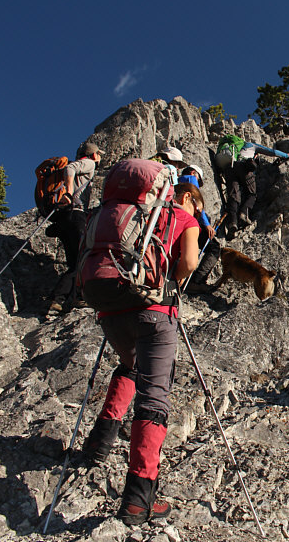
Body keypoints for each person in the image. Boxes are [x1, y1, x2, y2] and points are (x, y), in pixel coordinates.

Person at [81, 182, 202, 524]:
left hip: (110, 307)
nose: (197, 215)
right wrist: (171, 285)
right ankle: (137, 500)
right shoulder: (182, 216)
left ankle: (99, 443)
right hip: (155, 310)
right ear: (186, 198)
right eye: (197, 207)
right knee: (155, 395)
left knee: (129, 365)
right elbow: (190, 262)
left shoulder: (124, 214)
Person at [47, 141, 102, 315]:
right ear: (93, 154)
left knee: (74, 262)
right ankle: (77, 297)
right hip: (75, 214)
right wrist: (69, 193)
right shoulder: (89, 163)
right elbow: (69, 169)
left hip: (64, 217)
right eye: (99, 154)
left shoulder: (85, 165)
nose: (99, 157)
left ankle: (58, 300)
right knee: (83, 257)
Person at [216, 135, 289, 240]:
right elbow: (271, 152)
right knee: (252, 194)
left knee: (234, 196)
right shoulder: (251, 145)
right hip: (244, 166)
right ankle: (244, 213)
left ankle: (232, 223)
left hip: (229, 168)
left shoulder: (232, 149)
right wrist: (286, 155)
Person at [178, 165, 220, 292]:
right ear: (193, 172)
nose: (199, 185)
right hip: (189, 222)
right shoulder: (190, 179)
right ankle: (196, 281)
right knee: (214, 248)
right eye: (199, 180)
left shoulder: (175, 180)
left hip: (176, 220)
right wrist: (206, 224)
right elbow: (195, 203)